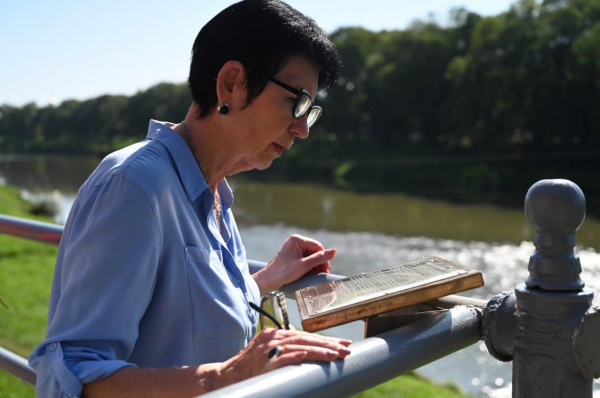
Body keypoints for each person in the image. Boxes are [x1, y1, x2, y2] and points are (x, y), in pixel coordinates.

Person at [28, 1, 352, 397]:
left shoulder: (212, 191)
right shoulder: (134, 187)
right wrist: (224, 378)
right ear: (232, 82)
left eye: (310, 110)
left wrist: (269, 277)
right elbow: (70, 374)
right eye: (295, 102)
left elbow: (184, 311)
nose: (302, 129)